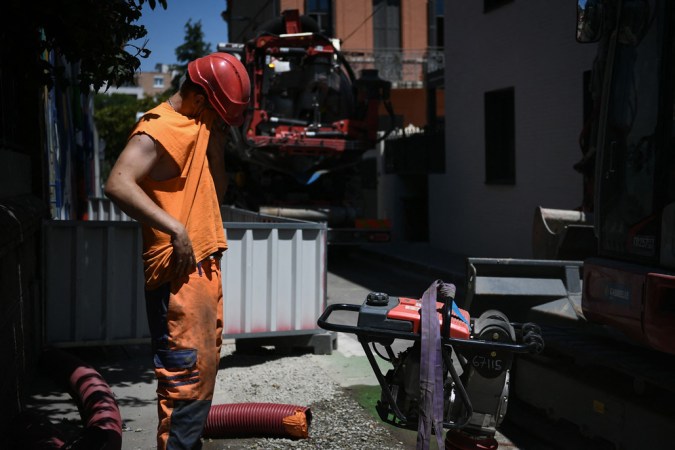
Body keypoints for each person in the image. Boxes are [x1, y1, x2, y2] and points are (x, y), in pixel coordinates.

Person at [104, 52, 250, 449]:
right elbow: (117, 183)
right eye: (219, 113)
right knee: (184, 383)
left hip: (203, 268)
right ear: (201, 97)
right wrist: (173, 227)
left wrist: (218, 140)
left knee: (201, 375)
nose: (220, 121)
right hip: (177, 276)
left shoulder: (198, 127)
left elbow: (214, 194)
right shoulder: (158, 129)